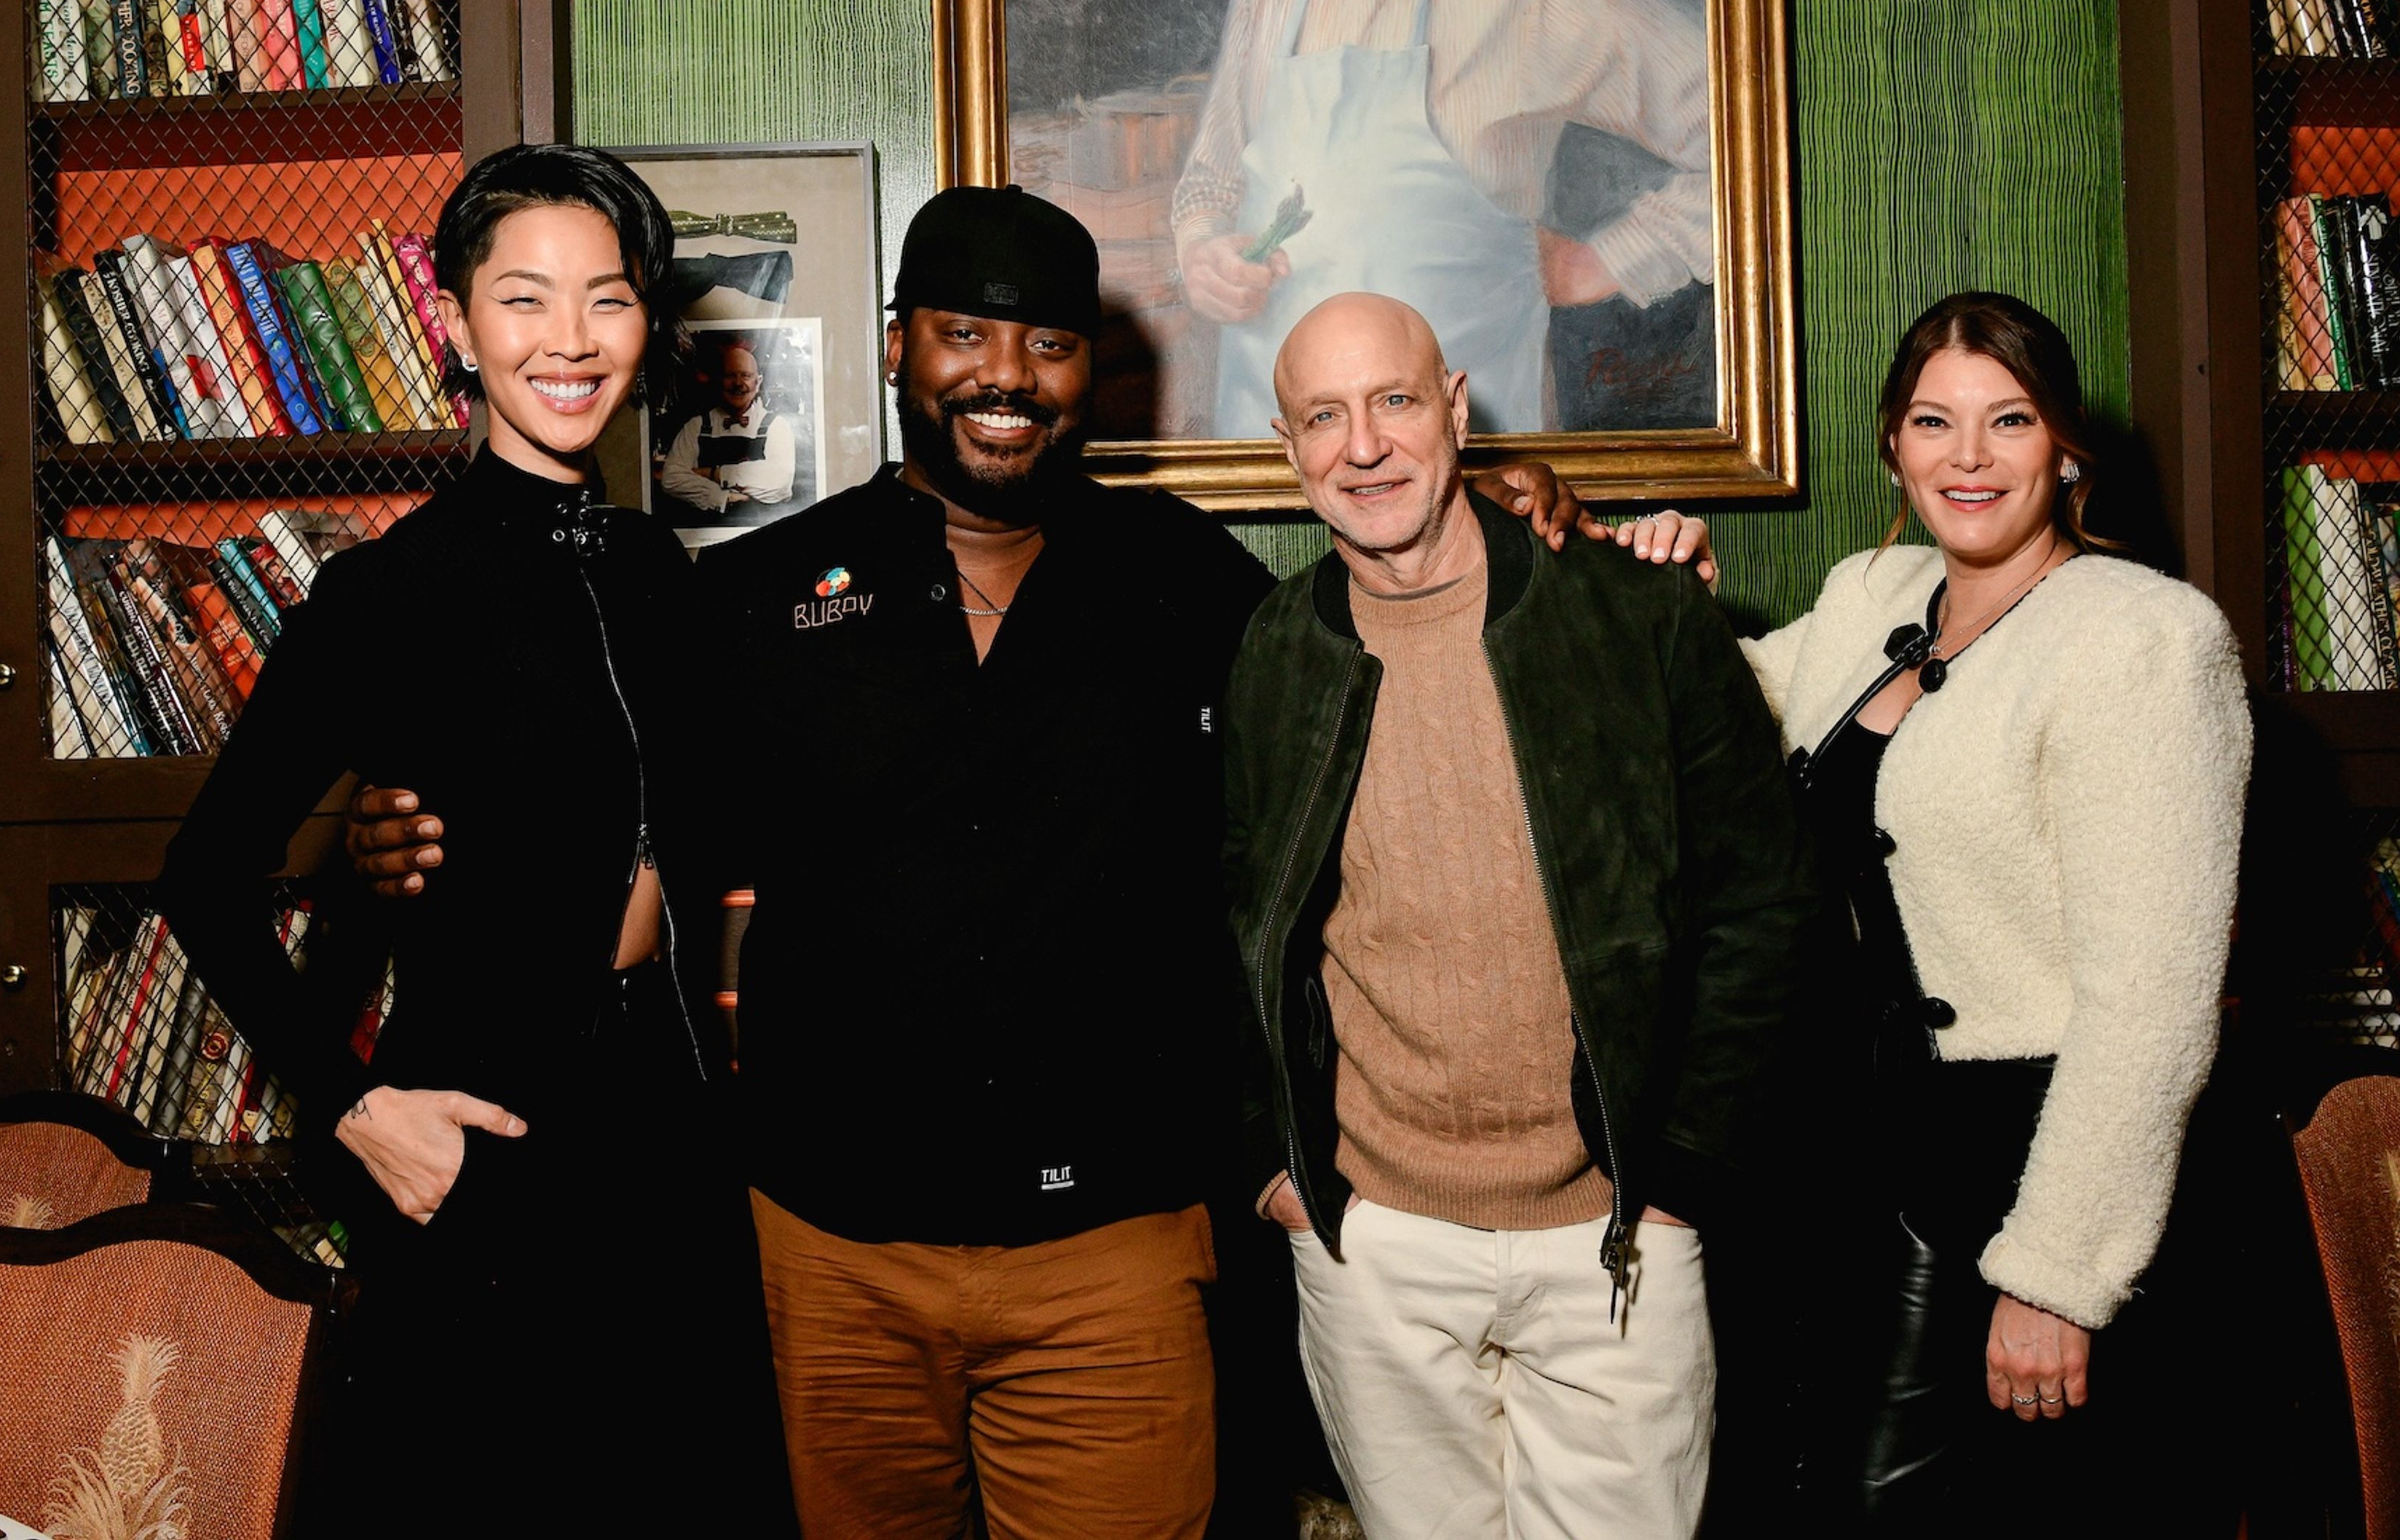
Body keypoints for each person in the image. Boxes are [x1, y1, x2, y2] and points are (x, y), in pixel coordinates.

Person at [341, 186, 1626, 1539]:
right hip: (830, 1260)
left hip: (1116, 1260)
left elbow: (1378, 678)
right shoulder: (758, 597)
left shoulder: (1189, 579)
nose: (1007, 375)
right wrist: (399, 834)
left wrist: (1498, 521)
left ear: (1091, 372)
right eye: (966, 333)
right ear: (900, 345)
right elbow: (612, 828)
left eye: (1048, 343)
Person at [154, 144, 740, 1533]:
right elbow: (203, 876)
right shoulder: (390, 590)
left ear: (645, 322)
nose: (569, 338)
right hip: (480, 1149)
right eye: (525, 298)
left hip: (668, 1141)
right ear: (457, 325)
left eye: (607, 297)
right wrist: (357, 1105)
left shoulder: (658, 574)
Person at [1624, 291, 2251, 1535]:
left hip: (2005, 1160)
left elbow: (2156, 1005)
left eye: (2009, 419)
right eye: (1933, 421)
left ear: (2065, 448)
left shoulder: (2144, 639)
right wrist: (1669, 603)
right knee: (1773, 1495)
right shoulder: (1874, 590)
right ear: (1893, 446)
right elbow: (1727, 732)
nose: (1970, 456)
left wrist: (2058, 1273)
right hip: (1826, 1150)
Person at [1225, 292, 1820, 1540]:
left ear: (1455, 409)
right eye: (1323, 417)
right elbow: (1230, 920)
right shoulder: (1275, 648)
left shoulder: (1639, 612)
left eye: (1394, 400)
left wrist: (1682, 1174)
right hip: (1376, 1243)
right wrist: (1280, 1172)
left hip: (1614, 1232)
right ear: (1289, 448)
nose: (1363, 445)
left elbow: (1762, 905)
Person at [1172, 0, 1712, 437]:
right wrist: (1202, 250)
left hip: (1469, 445)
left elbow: (1743, 127)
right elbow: (1210, 184)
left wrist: (1602, 262)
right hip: (1272, 438)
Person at [660, 336, 798, 521]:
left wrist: (714, 474)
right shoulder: (697, 426)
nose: (738, 383)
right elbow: (671, 479)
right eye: (730, 375)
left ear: (758, 383)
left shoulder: (776, 426)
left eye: (746, 376)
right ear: (719, 381)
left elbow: (781, 483)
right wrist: (724, 497)